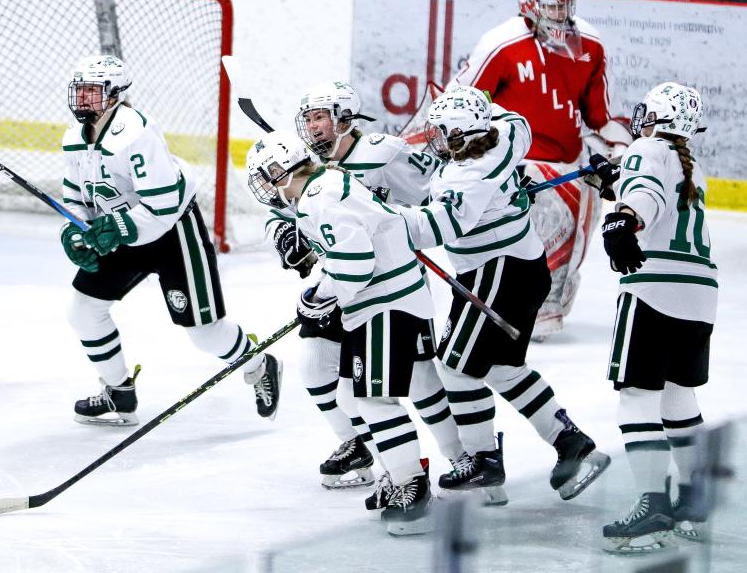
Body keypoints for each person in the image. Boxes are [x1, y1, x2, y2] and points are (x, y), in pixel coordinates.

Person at [396, 85, 610, 501]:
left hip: (496, 274)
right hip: (520, 269)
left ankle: (483, 461)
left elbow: (435, 227)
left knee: (456, 368)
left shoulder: (467, 176)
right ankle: (571, 443)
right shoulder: (507, 134)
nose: (435, 139)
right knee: (499, 367)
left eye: (443, 132)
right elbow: (512, 118)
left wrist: (380, 219)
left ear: (463, 136)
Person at [58, 55, 281, 426]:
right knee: (82, 310)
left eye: (92, 92)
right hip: (124, 230)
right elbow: (76, 199)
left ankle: (259, 364)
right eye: (79, 91)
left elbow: (162, 207)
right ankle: (119, 392)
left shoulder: (135, 133)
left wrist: (114, 229)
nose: (83, 100)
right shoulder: (74, 139)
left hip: (174, 233)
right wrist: (75, 230)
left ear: (114, 95)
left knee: (205, 334)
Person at [293, 81, 487, 499]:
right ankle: (370, 452)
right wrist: (288, 237)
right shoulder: (307, 165)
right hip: (344, 285)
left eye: (321, 117)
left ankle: (460, 458)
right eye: (308, 119)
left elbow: (441, 194)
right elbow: (284, 211)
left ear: (345, 116)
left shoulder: (385, 151)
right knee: (319, 367)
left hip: (388, 286)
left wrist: (394, 222)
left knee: (417, 382)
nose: (313, 128)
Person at [247, 131, 437, 535]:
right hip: (374, 303)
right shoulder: (321, 190)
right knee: (355, 395)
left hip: (386, 301)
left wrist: (318, 294)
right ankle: (395, 472)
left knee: (376, 401)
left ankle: (412, 486)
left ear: (282, 171)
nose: (265, 186)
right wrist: (318, 291)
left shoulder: (322, 197)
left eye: (267, 176)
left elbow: (354, 267)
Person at [447, 0, 631, 341]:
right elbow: (462, 99)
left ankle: (546, 304)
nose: (561, 15)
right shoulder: (501, 44)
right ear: (529, 5)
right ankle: (519, 302)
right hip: (516, 165)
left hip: (568, 164)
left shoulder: (590, 45)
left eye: (565, 6)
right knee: (523, 247)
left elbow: (598, 116)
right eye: (552, 7)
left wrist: (621, 144)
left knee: (571, 246)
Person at [600, 82, 716, 553]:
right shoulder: (693, 166)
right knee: (677, 397)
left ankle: (652, 506)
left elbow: (646, 193)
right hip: (700, 294)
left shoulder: (647, 147)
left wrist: (622, 218)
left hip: (653, 288)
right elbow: (659, 193)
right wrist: (613, 187)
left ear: (659, 120)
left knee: (635, 397)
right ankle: (694, 500)